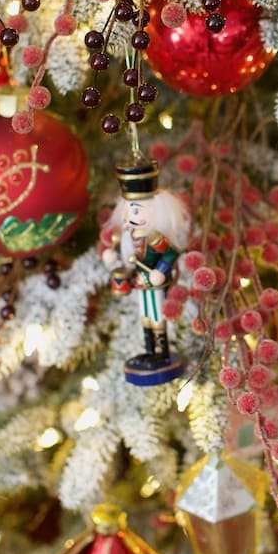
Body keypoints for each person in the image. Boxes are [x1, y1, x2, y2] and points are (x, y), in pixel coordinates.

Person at [100, 158, 191, 387]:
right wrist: (112, 255)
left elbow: (170, 254)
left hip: (154, 281)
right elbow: (122, 252)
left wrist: (161, 270)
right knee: (145, 315)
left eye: (137, 209)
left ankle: (162, 352)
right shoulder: (130, 235)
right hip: (139, 281)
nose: (131, 214)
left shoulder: (155, 237)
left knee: (157, 314)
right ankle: (150, 350)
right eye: (129, 209)